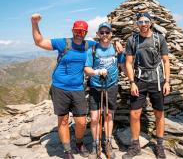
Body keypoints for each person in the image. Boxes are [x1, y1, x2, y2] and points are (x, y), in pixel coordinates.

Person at [31, 14, 122, 159]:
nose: (79, 34)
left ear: (86, 33)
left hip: (77, 88)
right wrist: (34, 23)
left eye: (82, 31)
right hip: (59, 87)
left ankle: (79, 143)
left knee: (80, 121)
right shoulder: (63, 43)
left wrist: (116, 42)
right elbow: (39, 42)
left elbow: (105, 42)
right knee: (64, 120)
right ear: (72, 31)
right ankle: (68, 151)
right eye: (77, 31)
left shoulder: (89, 45)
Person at [123, 12, 170, 159]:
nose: (143, 24)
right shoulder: (132, 40)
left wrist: (167, 81)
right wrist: (131, 83)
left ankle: (160, 145)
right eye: (140, 22)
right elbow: (128, 63)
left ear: (151, 22)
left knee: (159, 113)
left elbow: (166, 61)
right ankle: (135, 145)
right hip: (140, 80)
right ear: (137, 24)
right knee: (134, 113)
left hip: (157, 80)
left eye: (145, 21)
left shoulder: (159, 38)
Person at [84, 22, 125, 159]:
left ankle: (107, 142)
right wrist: (97, 72)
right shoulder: (93, 50)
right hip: (96, 87)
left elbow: (122, 64)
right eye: (102, 32)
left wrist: (133, 80)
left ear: (111, 34)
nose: (104, 35)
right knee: (95, 118)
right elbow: (87, 69)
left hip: (111, 86)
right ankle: (95, 144)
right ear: (98, 34)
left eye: (107, 32)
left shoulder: (116, 48)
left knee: (108, 115)